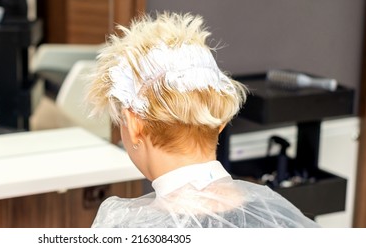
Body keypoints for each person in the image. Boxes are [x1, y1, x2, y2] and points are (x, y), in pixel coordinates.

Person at [86, 12, 320, 228]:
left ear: (135, 124)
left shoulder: (122, 227)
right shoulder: (278, 214)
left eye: (122, 124)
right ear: (220, 122)